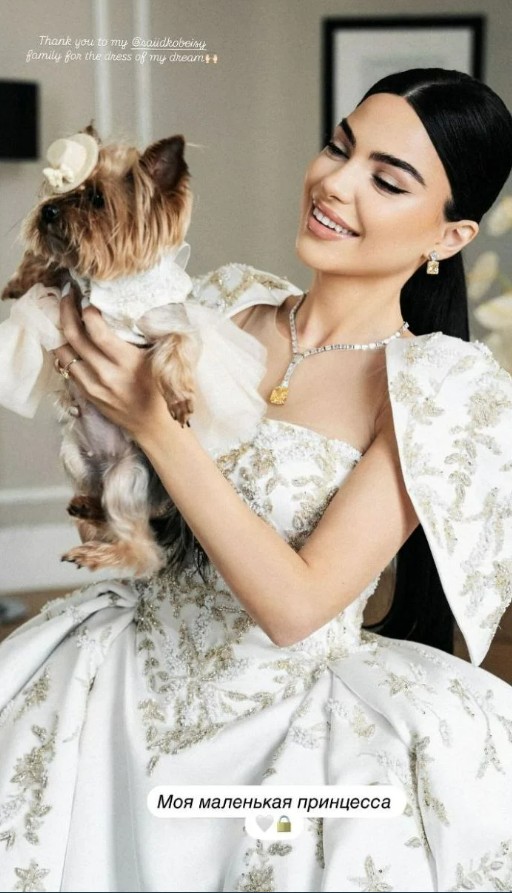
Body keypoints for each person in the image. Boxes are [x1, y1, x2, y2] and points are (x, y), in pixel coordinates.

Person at [1, 68, 512, 893]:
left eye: (386, 180)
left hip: (282, 739)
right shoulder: (228, 303)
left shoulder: (439, 390)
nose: (335, 184)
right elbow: (131, 501)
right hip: (115, 685)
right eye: (339, 147)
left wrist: (155, 426)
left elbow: (297, 608)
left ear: (449, 238)